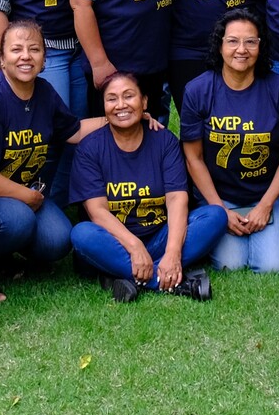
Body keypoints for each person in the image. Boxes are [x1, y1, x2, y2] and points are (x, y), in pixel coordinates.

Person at [70, 72, 228, 302]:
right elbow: (98, 212)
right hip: (116, 242)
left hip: (158, 237)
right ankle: (170, 282)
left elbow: (176, 199)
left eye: (129, 96)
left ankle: (119, 274)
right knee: (81, 233)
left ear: (144, 102)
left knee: (215, 216)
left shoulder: (164, 141)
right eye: (111, 99)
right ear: (103, 106)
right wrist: (134, 247)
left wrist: (173, 252)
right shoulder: (90, 148)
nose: (121, 105)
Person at [0, 20, 95, 298]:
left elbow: (74, 132)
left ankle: (2, 253)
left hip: (22, 194)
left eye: (34, 49)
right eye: (16, 49)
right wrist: (26, 196)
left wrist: (119, 118)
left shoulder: (45, 91)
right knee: (19, 219)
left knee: (57, 241)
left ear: (44, 59)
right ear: (2, 59)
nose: (26, 56)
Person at [179, 11, 279, 274]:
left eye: (251, 42)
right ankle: (208, 218)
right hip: (220, 194)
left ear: (261, 46)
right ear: (220, 45)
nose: (241, 50)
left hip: (267, 193)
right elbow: (194, 158)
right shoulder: (198, 90)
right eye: (233, 41)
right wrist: (219, 209)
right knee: (229, 264)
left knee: (270, 267)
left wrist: (266, 204)